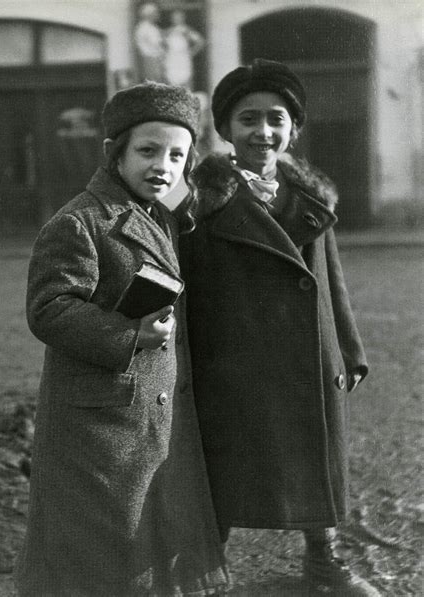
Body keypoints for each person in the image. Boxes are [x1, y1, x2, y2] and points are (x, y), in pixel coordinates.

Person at [15, 82, 229, 596]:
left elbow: (193, 201)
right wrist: (129, 332)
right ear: (115, 155)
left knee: (146, 534)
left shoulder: (164, 205)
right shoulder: (81, 222)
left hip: (147, 410)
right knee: (101, 537)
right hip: (100, 419)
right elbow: (49, 309)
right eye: (147, 151)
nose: (163, 165)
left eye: (177, 155)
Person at [181, 59, 381, 596]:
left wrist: (349, 350)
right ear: (224, 130)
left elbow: (329, 279)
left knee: (320, 456)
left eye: (276, 119)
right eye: (248, 119)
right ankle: (202, 568)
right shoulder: (202, 200)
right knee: (223, 461)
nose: (262, 132)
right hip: (234, 355)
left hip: (312, 353)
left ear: (294, 129)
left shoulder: (311, 197)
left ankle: (323, 560)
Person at [164, 9, 205, 89]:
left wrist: (191, 52)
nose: (176, 19)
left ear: (183, 18)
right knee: (172, 84)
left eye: (179, 17)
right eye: (174, 17)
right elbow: (161, 44)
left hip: (183, 59)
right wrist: (165, 54)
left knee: (186, 82)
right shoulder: (168, 31)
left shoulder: (187, 30)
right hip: (172, 59)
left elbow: (201, 41)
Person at [134, 2, 165, 82]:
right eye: (155, 13)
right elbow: (156, 44)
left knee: (158, 81)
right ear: (149, 15)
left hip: (155, 59)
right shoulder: (143, 27)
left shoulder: (153, 27)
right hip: (150, 59)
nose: (157, 15)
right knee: (154, 82)